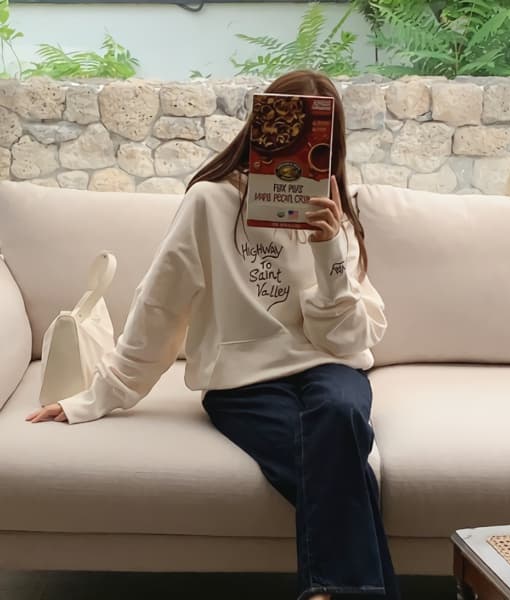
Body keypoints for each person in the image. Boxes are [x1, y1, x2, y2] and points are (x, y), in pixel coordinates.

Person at [26, 70, 400, 600]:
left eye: (318, 138)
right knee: (342, 461)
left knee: (339, 415)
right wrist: (96, 397)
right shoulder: (209, 202)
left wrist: (328, 252)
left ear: (331, 144)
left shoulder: (334, 215)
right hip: (243, 384)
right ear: (262, 129)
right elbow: (159, 306)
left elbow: (349, 340)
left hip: (330, 368)